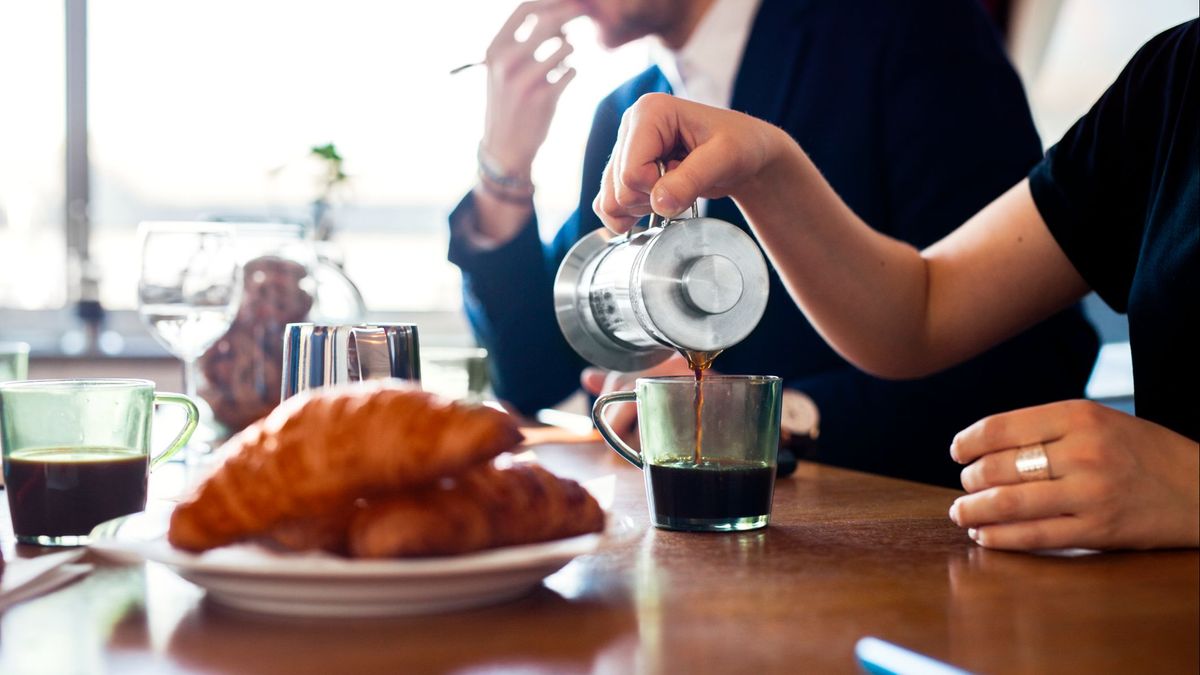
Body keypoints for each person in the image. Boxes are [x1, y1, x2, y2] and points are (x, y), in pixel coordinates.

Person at [594, 21, 1199, 550]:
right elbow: (925, 311)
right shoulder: (1174, 76)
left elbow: (1037, 359)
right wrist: (765, 165)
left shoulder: (914, 31)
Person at [448, 0, 1099, 487]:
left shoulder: (910, 28)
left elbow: (1028, 358)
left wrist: (758, 415)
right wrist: (505, 165)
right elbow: (537, 373)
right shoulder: (626, 111)